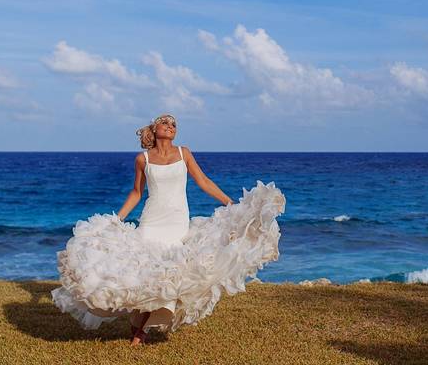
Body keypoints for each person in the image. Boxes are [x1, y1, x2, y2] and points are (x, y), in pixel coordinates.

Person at [51, 113, 286, 346]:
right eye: (165, 122)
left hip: (177, 223)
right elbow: (136, 193)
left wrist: (229, 202)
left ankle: (140, 332)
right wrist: (117, 219)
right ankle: (139, 322)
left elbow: (203, 181)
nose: (170, 126)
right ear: (154, 129)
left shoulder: (184, 153)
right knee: (146, 275)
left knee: (168, 276)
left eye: (174, 124)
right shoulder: (142, 159)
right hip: (151, 221)